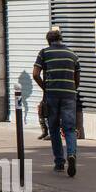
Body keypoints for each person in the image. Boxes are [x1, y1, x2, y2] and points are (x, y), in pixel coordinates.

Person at [32, 27, 81, 176]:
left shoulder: (44, 52)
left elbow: (35, 74)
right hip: (69, 95)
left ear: (49, 41)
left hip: (52, 95)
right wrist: (71, 89)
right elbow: (77, 79)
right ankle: (71, 154)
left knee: (53, 128)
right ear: (61, 39)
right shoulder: (73, 55)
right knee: (70, 129)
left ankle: (59, 162)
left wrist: (45, 88)